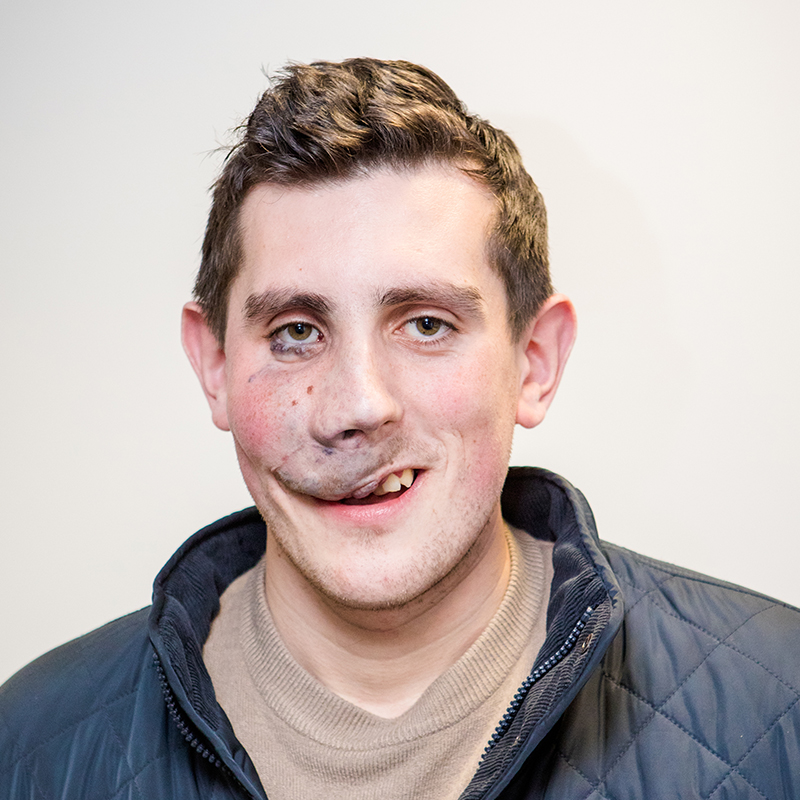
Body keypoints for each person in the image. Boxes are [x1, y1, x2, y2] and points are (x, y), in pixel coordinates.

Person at [1, 57, 798, 799]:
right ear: (212, 366)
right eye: (295, 332)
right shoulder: (26, 746)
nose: (356, 408)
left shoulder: (781, 704)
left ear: (535, 362)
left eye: (424, 325)